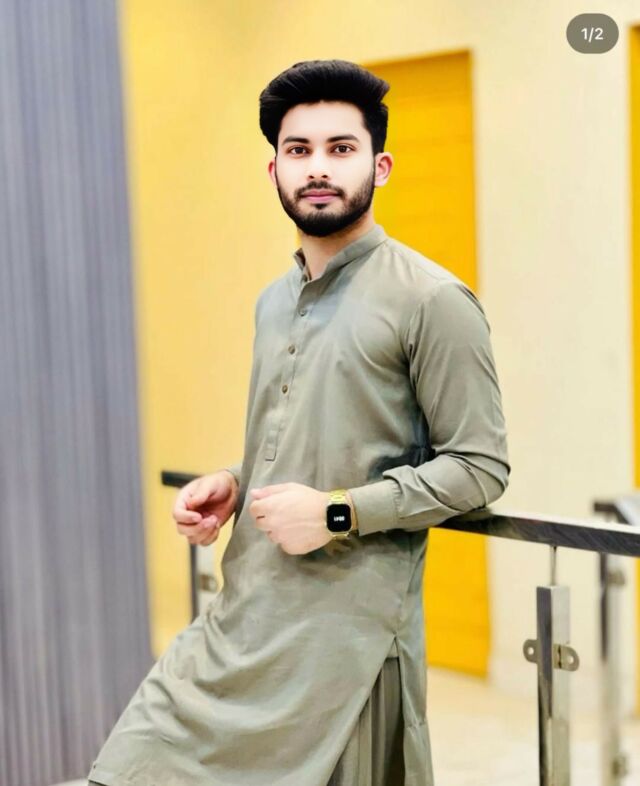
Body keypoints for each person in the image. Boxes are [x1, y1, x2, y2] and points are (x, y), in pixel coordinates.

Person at [88, 59, 510, 786]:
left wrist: (337, 512)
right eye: (298, 150)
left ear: (379, 166)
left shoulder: (433, 301)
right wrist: (235, 481)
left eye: (340, 149)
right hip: (240, 617)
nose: (318, 167)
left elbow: (480, 467)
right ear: (275, 171)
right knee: (129, 767)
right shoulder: (273, 301)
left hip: (345, 642)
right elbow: (315, 431)